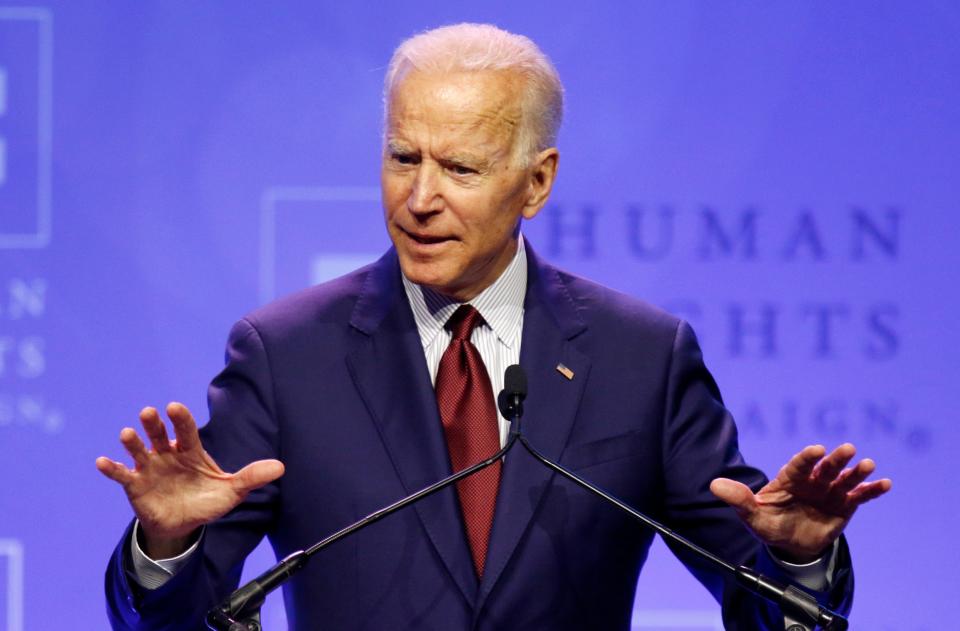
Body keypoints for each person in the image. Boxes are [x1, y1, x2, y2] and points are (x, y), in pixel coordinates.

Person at [97, 23, 891, 630]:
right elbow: (179, 619)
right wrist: (166, 548)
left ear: (536, 181)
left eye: (461, 168)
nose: (419, 197)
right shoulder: (286, 355)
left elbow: (766, 608)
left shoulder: (639, 357)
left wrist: (797, 556)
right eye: (404, 157)